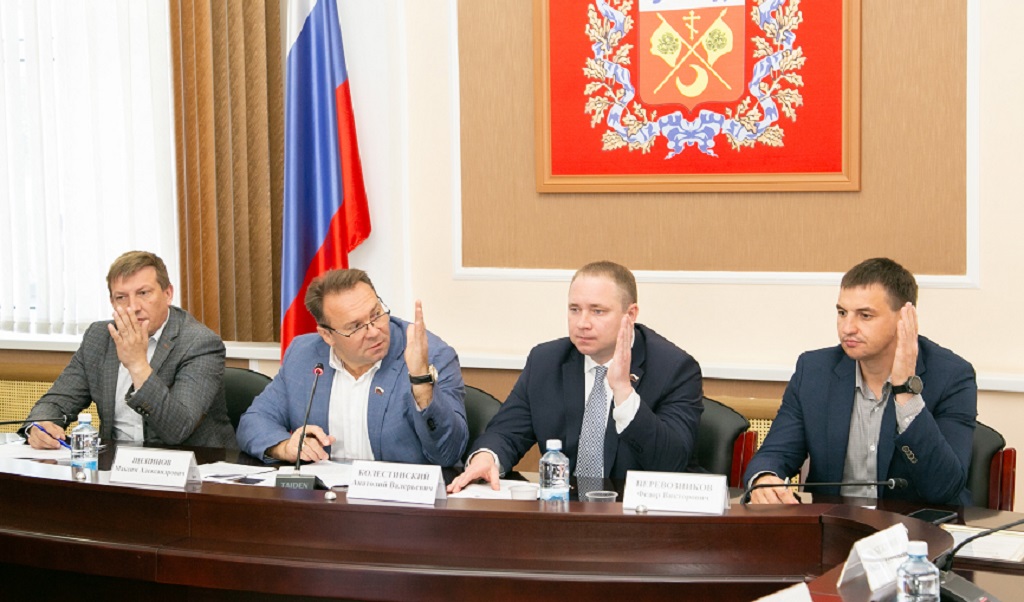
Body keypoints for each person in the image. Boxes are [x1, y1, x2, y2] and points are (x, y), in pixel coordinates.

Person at [448, 261, 703, 493]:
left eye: (597, 311)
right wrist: (487, 458)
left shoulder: (674, 369)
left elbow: (671, 462)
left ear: (631, 314)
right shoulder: (546, 361)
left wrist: (624, 393)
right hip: (563, 512)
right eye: (574, 309)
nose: (582, 323)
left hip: (638, 516)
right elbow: (506, 432)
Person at [744, 258, 977, 505]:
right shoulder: (814, 372)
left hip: (917, 525)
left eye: (865, 316)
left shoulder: (951, 376)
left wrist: (906, 392)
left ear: (904, 318)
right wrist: (764, 479)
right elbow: (775, 453)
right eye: (842, 313)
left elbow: (945, 488)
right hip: (834, 524)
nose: (847, 328)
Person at [237, 269, 468, 466]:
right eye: (356, 326)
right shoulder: (303, 356)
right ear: (327, 335)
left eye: (376, 314)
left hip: (403, 501)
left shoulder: (430, 355)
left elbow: (449, 453)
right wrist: (285, 447)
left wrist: (421, 382)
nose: (374, 331)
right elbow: (254, 421)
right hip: (325, 498)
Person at [25, 251, 233, 448]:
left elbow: (178, 429)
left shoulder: (199, 343)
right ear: (112, 302)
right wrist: (39, 427)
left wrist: (137, 365)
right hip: (115, 463)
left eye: (143, 293)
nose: (133, 307)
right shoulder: (99, 338)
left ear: (168, 293)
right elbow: (57, 401)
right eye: (121, 297)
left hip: (193, 465)